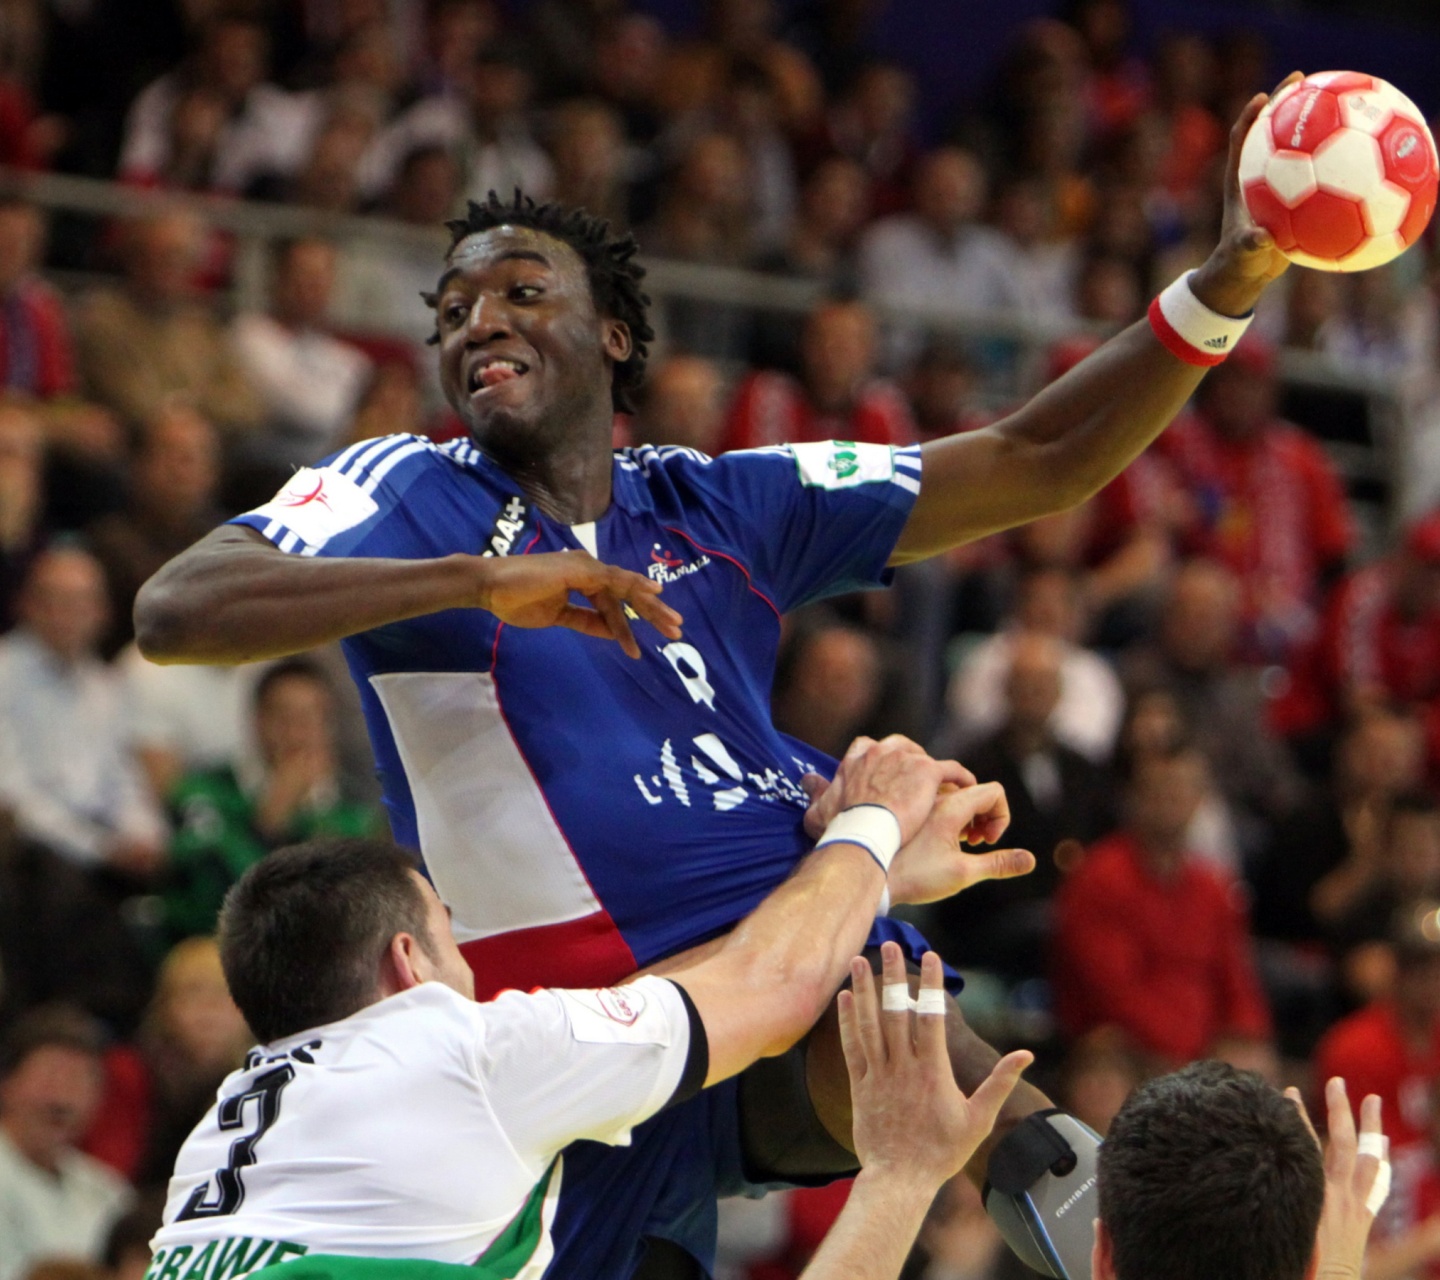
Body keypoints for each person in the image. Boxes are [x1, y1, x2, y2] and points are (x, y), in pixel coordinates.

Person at [137, 78, 1298, 1278]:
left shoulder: (715, 500)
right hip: (572, 1058)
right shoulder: (406, 487)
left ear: (617, 337)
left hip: (790, 967)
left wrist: (1226, 285)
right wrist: (468, 585)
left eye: (524, 292)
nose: (478, 319)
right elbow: (178, 608)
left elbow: (1035, 456)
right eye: (453, 308)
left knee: (996, 1109)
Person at [148, 737, 1031, 1278]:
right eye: (454, 939)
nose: (478, 980)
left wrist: (861, 894)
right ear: (407, 962)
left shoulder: (221, 1139)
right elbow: (765, 988)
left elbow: (637, 1009)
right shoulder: (465, 1056)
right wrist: (871, 826)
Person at [1051, 743, 1272, 1067]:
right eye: (1159, 788)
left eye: (1183, 789)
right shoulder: (1099, 879)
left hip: (1201, 1053)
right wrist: (1189, 1055)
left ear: (1200, 801)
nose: (1172, 799)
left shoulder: (1213, 886)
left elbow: (1236, 981)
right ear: (1134, 798)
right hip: (1125, 1049)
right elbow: (1113, 995)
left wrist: (1248, 1039)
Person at [0, 546, 165, 875]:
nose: (64, 615)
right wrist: (100, 848)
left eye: (79, 603)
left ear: (102, 612)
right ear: (25, 604)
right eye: (52, 601)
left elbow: (123, 778)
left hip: (101, 848)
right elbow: (12, 796)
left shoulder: (105, 684)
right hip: (31, 856)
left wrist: (144, 835)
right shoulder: (4, 676)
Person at [0, 1007, 134, 1280]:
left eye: (78, 1080)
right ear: (7, 1084)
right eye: (49, 1075)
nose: (61, 1098)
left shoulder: (108, 1191)